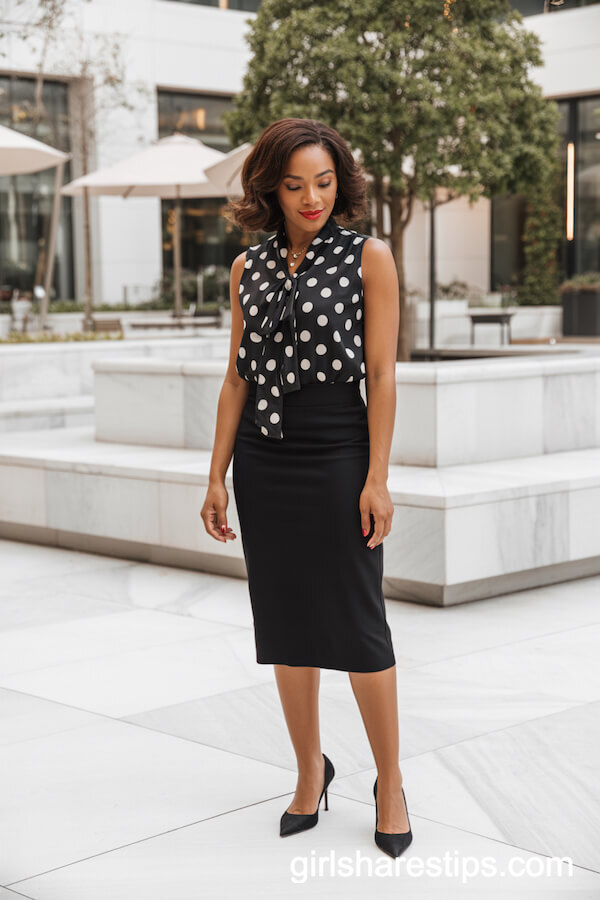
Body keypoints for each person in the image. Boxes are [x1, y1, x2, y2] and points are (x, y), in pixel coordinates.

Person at [200, 117, 412, 859]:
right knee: (287, 625)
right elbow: (236, 376)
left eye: (323, 181)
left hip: (337, 451)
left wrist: (377, 476)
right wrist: (217, 474)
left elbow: (382, 374)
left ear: (340, 182)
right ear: (270, 188)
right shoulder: (246, 268)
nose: (311, 196)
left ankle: (390, 781)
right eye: (295, 185)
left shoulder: (368, 257)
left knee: (357, 626)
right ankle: (308, 771)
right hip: (264, 459)